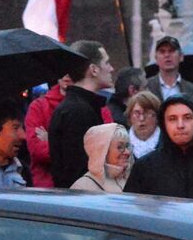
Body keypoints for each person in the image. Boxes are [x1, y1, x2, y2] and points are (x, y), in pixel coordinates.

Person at [125, 95, 193, 199]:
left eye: (187, 118)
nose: (180, 125)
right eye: (172, 119)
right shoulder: (145, 167)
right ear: (164, 124)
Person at [48, 40, 115, 188]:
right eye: (107, 63)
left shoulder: (81, 107)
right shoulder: (78, 112)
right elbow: (80, 172)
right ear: (94, 69)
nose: (111, 68)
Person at [69, 124, 132, 193]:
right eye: (120, 147)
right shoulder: (81, 187)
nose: (127, 152)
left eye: (127, 146)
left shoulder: (134, 179)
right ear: (102, 151)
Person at [125, 90, 162, 161]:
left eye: (147, 113)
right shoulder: (121, 142)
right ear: (130, 117)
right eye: (137, 113)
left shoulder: (168, 141)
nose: (142, 118)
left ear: (157, 116)